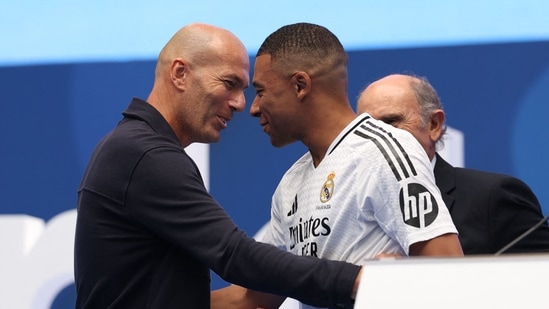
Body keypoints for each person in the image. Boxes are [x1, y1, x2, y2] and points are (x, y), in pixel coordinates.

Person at [73, 22, 367, 309]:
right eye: (229, 84)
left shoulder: (134, 148)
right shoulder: (145, 155)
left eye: (245, 89)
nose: (241, 104)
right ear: (180, 73)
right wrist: (357, 279)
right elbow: (233, 255)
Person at [211, 22, 463, 309]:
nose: (253, 107)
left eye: (261, 91)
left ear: (300, 85)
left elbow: (448, 272)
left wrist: (395, 284)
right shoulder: (291, 184)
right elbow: (253, 296)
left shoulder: (385, 151)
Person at [357, 73, 549, 254]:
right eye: (367, 128)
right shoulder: (346, 205)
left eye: (390, 122)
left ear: (434, 125)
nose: (377, 137)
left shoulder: (492, 197)